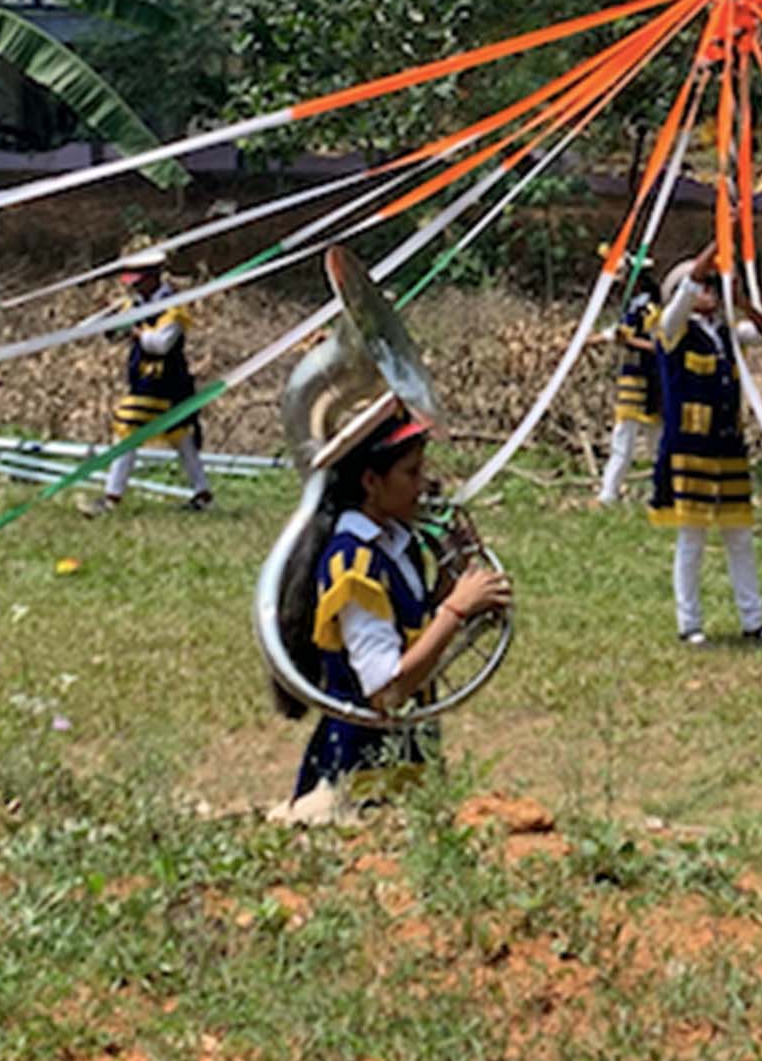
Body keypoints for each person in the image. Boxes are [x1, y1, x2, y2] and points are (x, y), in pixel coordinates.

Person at [274, 397, 515, 802]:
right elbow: (386, 689)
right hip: (361, 774)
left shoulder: (396, 544)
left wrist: (451, 581)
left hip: (406, 755)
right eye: (411, 473)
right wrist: (456, 609)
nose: (422, 485)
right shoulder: (354, 565)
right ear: (371, 482)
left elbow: (408, 625)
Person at [647, 255, 762, 644]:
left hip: (726, 446)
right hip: (691, 447)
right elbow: (688, 290)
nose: (709, 294)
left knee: (739, 538)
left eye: (712, 289)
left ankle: (753, 620)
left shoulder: (728, 332)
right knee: (693, 539)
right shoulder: (671, 327)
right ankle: (689, 623)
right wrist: (720, 239)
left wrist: (741, 300)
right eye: (703, 288)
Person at [84, 245, 214, 516]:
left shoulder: (173, 308)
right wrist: (108, 321)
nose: (135, 289)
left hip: (165, 384)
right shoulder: (133, 306)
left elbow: (161, 344)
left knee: (127, 431)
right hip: (143, 381)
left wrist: (136, 332)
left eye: (139, 283)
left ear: (154, 278)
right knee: (182, 440)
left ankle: (111, 498)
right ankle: (202, 494)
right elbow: (106, 331)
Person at [595, 251, 663, 506]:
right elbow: (616, 333)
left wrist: (627, 340)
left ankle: (610, 494)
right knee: (640, 438)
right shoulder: (636, 306)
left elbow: (658, 345)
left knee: (630, 438)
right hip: (637, 378)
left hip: (646, 380)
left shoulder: (648, 309)